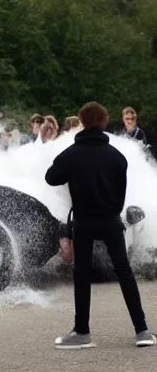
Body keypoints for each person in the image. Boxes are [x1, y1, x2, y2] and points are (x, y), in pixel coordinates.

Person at [45, 101, 155, 349]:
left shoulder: (72, 154)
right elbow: (120, 193)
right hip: (110, 220)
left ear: (82, 123)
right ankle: (142, 331)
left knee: (81, 275)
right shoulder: (116, 156)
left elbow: (51, 177)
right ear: (105, 122)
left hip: (84, 221)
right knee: (125, 272)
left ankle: (82, 332)